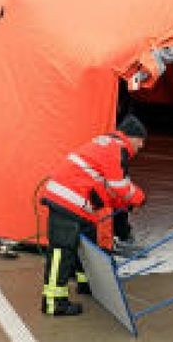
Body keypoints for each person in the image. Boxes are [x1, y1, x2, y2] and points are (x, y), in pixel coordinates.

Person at [40, 114, 147, 316]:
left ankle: (85, 283)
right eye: (141, 140)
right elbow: (120, 186)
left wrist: (124, 205)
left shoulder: (106, 145)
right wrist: (139, 199)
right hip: (67, 201)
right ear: (131, 137)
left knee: (86, 244)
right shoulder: (116, 149)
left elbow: (104, 190)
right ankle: (54, 302)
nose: (141, 146)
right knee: (61, 251)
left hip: (69, 199)